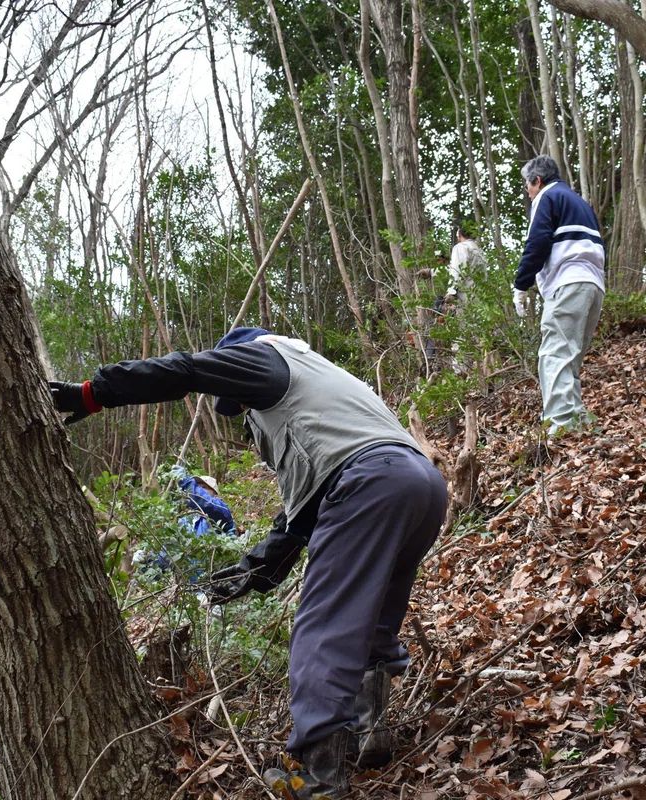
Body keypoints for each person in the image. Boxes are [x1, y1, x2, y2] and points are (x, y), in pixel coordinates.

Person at [49, 327, 448, 799]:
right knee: (374, 622)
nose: (241, 413)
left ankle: (317, 777)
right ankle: (370, 737)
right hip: (420, 483)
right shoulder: (325, 388)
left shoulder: (266, 358)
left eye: (238, 405)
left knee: (325, 628)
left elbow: (186, 370)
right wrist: (254, 570)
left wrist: (96, 394)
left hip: (369, 483)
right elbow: (303, 513)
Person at [511, 155, 606, 435]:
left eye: (527, 186)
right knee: (570, 356)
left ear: (537, 181)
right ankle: (576, 419)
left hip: (568, 282)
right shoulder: (580, 204)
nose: (528, 193)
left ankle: (562, 424)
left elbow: (537, 241)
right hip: (593, 284)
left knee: (555, 353)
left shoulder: (547, 197)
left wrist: (520, 285)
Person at [441, 222, 488, 375]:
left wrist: (451, 292)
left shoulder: (460, 248)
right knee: (478, 334)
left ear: (460, 234)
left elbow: (457, 270)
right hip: (480, 297)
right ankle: (483, 370)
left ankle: (461, 372)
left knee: (462, 334)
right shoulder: (479, 251)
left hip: (466, 296)